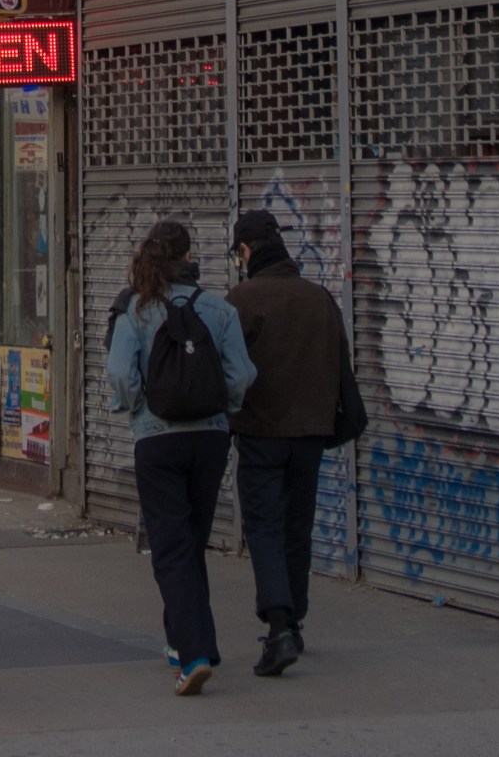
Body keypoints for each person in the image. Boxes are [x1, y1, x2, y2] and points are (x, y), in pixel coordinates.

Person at [105, 217, 255, 695]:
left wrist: (138, 410)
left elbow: (120, 375)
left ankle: (192, 657)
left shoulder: (135, 309)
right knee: (191, 543)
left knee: (170, 548)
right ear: (189, 257)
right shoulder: (219, 308)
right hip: (210, 439)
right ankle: (190, 642)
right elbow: (241, 374)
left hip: (157, 439)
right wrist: (222, 409)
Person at [226, 208, 355, 678]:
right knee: (297, 527)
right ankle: (295, 623)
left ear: (245, 251)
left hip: (261, 433)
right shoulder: (319, 298)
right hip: (310, 435)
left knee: (264, 528)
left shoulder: (241, 300)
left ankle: (279, 628)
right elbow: (341, 369)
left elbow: (229, 370)